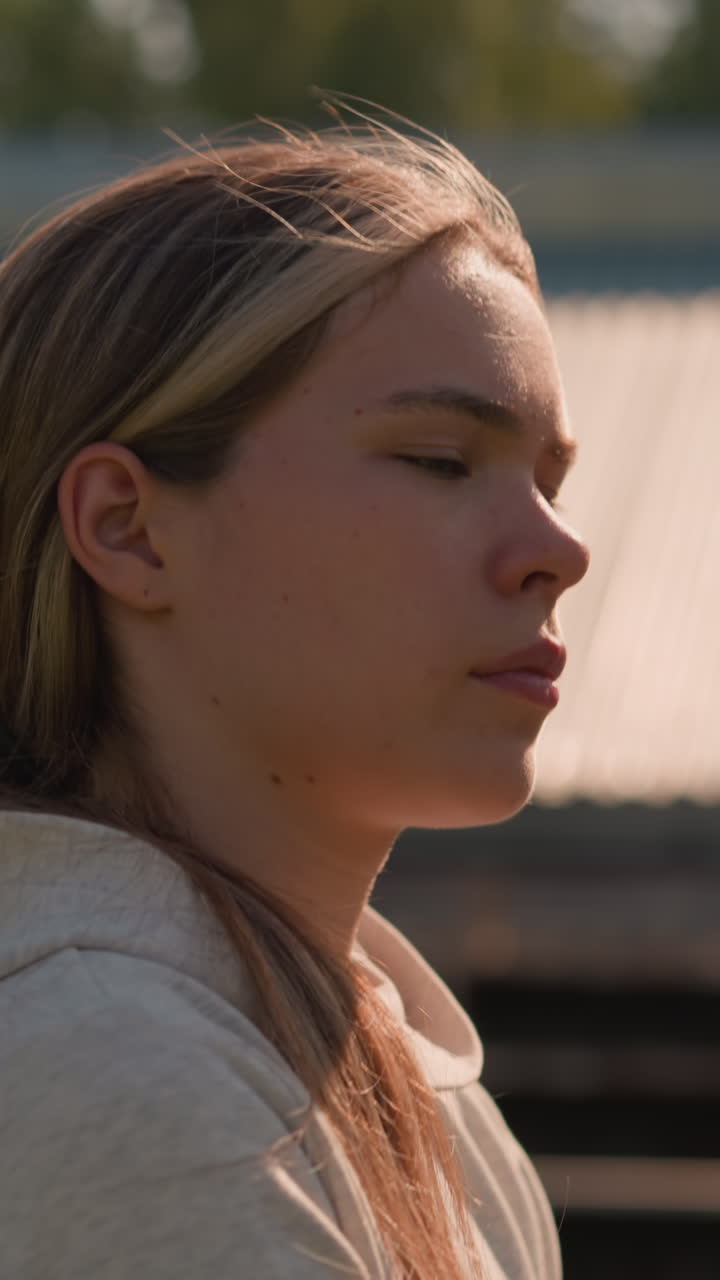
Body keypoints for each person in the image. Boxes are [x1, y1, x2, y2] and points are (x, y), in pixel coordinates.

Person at [0, 109, 588, 1280]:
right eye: (439, 460)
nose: (557, 549)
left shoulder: (435, 1103)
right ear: (128, 528)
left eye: (549, 477)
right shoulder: (110, 1063)